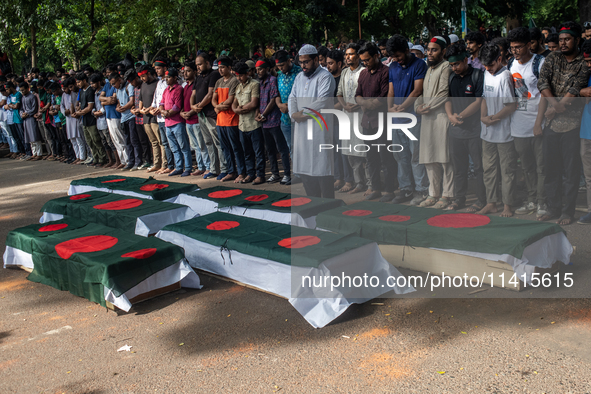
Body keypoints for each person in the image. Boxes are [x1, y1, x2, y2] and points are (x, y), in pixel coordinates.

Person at [537, 21, 590, 225]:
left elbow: (577, 88)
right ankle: (553, 208)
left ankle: (567, 212)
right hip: (552, 123)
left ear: (577, 39)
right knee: (551, 169)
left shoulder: (583, 62)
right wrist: (553, 105)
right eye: (560, 40)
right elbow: (543, 82)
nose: (563, 43)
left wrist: (557, 107)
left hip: (573, 124)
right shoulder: (552, 58)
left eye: (567, 39)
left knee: (570, 171)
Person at [506, 27, 547, 218]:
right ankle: (531, 200)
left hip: (538, 123)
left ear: (529, 45)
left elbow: (545, 95)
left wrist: (539, 122)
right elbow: (516, 95)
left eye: (519, 47)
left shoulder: (540, 63)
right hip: (518, 125)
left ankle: (542, 203)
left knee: (542, 167)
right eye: (512, 47)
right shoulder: (510, 65)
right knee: (527, 167)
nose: (515, 51)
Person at [288, 44, 336, 198]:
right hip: (302, 130)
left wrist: (302, 114)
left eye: (306, 62)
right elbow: (292, 97)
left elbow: (322, 101)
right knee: (305, 169)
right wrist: (293, 114)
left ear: (316, 59)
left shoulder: (325, 76)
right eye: (301, 62)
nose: (303, 66)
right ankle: (313, 205)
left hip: (319, 129)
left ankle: (328, 209)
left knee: (322, 168)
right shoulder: (299, 77)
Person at [387, 34, 429, 205]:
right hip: (396, 118)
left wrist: (402, 107)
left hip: (414, 118)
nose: (396, 59)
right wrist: (390, 108)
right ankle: (405, 189)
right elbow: (391, 90)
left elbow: (417, 90)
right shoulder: (393, 66)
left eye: (398, 55)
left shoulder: (419, 65)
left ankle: (422, 190)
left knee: (416, 156)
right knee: (400, 156)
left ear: (406, 50)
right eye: (394, 57)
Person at [477, 43, 518, 218]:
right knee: (489, 169)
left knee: (507, 170)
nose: (489, 69)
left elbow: (511, 105)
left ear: (499, 59)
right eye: (486, 66)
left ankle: (508, 205)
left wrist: (492, 119)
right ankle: (491, 202)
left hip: (504, 132)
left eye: (491, 65)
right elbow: (484, 98)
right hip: (487, 132)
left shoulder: (505, 76)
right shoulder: (486, 73)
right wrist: (483, 116)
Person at [444, 42, 486, 211]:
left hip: (474, 130)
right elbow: (448, 99)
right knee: (459, 169)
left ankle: (482, 200)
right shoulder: (452, 77)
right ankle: (459, 199)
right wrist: (450, 116)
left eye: (457, 64)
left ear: (466, 60)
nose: (454, 68)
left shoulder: (477, 75)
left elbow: (478, 101)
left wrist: (460, 116)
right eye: (451, 65)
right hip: (456, 131)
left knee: (479, 168)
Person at [414, 36, 453, 208]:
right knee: (429, 158)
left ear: (443, 52)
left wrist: (425, 107)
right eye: (428, 49)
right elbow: (420, 93)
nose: (429, 53)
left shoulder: (446, 67)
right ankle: (433, 193)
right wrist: (417, 107)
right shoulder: (429, 69)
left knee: (445, 158)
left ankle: (447, 195)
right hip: (427, 117)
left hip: (441, 117)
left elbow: (444, 93)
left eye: (434, 50)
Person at [356, 42, 397, 202]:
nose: (365, 63)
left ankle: (389, 190)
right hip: (367, 122)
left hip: (382, 122)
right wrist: (366, 103)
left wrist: (367, 103)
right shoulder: (363, 74)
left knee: (386, 157)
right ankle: (375, 187)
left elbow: (383, 97)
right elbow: (357, 95)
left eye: (367, 60)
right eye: (363, 61)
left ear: (376, 56)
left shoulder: (386, 72)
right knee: (370, 157)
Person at [337, 42, 367, 194]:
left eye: (351, 54)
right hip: (347, 116)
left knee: (365, 151)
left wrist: (357, 105)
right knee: (351, 153)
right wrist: (345, 106)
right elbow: (340, 93)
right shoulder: (344, 73)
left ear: (358, 56)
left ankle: (370, 183)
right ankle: (359, 183)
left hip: (362, 115)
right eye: (346, 54)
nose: (348, 57)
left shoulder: (364, 71)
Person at [190, 53, 227, 179]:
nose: (198, 67)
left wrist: (198, 105)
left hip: (211, 114)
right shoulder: (198, 77)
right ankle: (213, 168)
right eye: (197, 65)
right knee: (208, 142)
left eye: (200, 64)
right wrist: (193, 106)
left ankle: (224, 168)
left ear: (207, 63)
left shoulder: (214, 74)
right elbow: (193, 94)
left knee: (217, 142)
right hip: (201, 114)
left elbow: (210, 94)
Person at [256, 58, 291, 185]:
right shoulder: (259, 82)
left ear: (267, 69)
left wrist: (263, 114)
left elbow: (273, 100)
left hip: (275, 120)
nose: (258, 72)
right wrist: (258, 115)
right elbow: (258, 101)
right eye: (257, 70)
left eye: (260, 69)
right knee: (269, 150)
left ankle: (287, 174)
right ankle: (275, 173)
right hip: (264, 122)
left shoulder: (272, 80)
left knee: (281, 149)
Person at [212, 55, 246, 182]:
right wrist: (218, 106)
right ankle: (231, 171)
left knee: (236, 147)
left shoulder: (234, 81)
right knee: (225, 148)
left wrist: (218, 107)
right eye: (219, 67)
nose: (220, 70)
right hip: (220, 121)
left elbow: (230, 100)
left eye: (223, 67)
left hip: (232, 120)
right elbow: (213, 99)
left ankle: (241, 172)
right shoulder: (218, 82)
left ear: (229, 67)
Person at [232, 62, 265, 184]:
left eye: (241, 75)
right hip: (242, 125)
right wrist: (237, 109)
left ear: (247, 73)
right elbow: (234, 104)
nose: (239, 78)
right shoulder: (238, 86)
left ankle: (260, 175)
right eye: (237, 76)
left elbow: (254, 103)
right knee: (247, 152)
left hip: (253, 124)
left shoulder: (254, 84)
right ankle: (250, 174)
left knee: (258, 152)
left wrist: (239, 109)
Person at [326, 49, 354, 192]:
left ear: (338, 63)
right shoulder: (327, 78)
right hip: (330, 120)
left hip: (342, 119)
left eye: (331, 63)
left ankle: (349, 180)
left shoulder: (343, 76)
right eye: (327, 64)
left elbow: (342, 99)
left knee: (344, 152)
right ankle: (339, 178)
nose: (328, 67)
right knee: (334, 151)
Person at [159, 68, 192, 177]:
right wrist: (163, 111)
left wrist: (167, 113)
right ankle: (178, 167)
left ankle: (187, 167)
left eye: (169, 77)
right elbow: (161, 104)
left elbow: (177, 106)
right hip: (168, 124)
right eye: (166, 77)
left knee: (184, 147)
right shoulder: (166, 90)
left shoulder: (178, 89)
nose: (167, 79)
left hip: (177, 122)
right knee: (174, 148)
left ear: (175, 78)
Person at [181, 62, 210, 176]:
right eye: (184, 71)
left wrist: (191, 112)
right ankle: (200, 166)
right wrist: (182, 113)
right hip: (188, 120)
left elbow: (198, 102)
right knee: (195, 146)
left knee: (202, 145)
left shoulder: (197, 84)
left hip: (197, 118)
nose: (185, 73)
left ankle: (207, 166)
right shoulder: (185, 86)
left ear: (194, 71)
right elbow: (183, 102)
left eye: (188, 71)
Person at [138, 65, 166, 172]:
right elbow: (140, 104)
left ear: (148, 73)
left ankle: (164, 163)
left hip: (155, 117)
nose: (142, 79)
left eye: (143, 76)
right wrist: (142, 110)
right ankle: (156, 163)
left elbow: (159, 100)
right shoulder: (143, 85)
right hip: (146, 118)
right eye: (141, 77)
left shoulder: (157, 84)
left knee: (161, 142)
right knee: (153, 142)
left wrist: (150, 109)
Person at [74, 73, 106, 166]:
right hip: (84, 120)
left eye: (79, 82)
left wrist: (80, 113)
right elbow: (80, 104)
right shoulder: (81, 91)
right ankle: (95, 158)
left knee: (96, 139)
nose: (78, 84)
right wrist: (78, 110)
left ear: (84, 80)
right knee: (89, 141)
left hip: (91, 119)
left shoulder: (90, 91)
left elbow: (90, 107)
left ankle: (102, 158)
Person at [275, 49, 302, 155]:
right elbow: (276, 94)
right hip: (285, 119)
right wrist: (279, 105)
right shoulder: (279, 75)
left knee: (301, 148)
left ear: (289, 61)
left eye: (282, 65)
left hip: (299, 117)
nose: (280, 68)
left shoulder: (300, 72)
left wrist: (291, 107)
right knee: (291, 149)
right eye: (278, 65)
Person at [150, 59, 174, 174]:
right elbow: (156, 100)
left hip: (169, 117)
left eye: (158, 68)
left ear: (165, 69)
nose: (157, 71)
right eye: (156, 69)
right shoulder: (159, 83)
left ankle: (176, 165)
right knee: (164, 142)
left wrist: (160, 109)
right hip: (159, 118)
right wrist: (153, 109)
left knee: (172, 142)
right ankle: (169, 165)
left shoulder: (169, 83)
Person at [116, 71, 142, 171]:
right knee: (127, 141)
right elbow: (118, 101)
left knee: (134, 140)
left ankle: (138, 161)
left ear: (119, 80)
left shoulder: (129, 86)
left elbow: (131, 101)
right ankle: (130, 161)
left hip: (131, 117)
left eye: (115, 83)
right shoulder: (118, 89)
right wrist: (118, 108)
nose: (114, 85)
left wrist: (123, 108)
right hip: (123, 118)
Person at [90, 74, 118, 168]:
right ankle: (110, 160)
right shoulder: (95, 93)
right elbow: (98, 102)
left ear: (98, 82)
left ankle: (117, 160)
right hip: (98, 120)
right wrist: (94, 112)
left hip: (105, 118)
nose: (92, 85)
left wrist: (101, 111)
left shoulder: (104, 89)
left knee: (110, 141)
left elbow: (105, 103)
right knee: (104, 142)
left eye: (93, 83)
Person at [100, 73, 127, 169]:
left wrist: (104, 101)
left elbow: (114, 100)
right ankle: (122, 160)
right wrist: (105, 100)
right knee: (114, 139)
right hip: (108, 115)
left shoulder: (117, 86)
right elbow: (101, 98)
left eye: (113, 83)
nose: (112, 85)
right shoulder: (108, 85)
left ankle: (127, 160)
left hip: (116, 115)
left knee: (120, 138)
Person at [127, 70, 152, 170]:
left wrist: (141, 110)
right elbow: (133, 103)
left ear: (136, 78)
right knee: (142, 141)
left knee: (150, 141)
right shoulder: (134, 88)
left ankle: (152, 160)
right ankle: (146, 160)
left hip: (145, 117)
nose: (131, 84)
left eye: (132, 81)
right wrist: (133, 110)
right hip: (137, 118)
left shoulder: (144, 86)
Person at [578, 40, 591, 224]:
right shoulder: (584, 73)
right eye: (587, 61)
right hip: (586, 131)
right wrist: (581, 91)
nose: (589, 65)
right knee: (589, 175)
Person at [63, 77, 87, 164]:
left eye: (71, 87)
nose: (70, 89)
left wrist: (77, 112)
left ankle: (83, 157)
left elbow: (80, 104)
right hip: (74, 117)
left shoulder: (80, 91)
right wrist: (73, 112)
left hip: (81, 117)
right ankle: (78, 156)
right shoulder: (72, 93)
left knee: (80, 139)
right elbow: (73, 104)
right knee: (74, 139)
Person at [19, 82, 43, 160]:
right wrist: (22, 114)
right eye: (21, 91)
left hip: (31, 118)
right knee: (29, 137)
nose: (22, 92)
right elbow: (21, 108)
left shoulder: (32, 96)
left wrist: (27, 113)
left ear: (27, 89)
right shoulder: (23, 98)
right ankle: (34, 153)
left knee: (35, 136)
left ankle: (39, 153)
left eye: (23, 90)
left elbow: (34, 108)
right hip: (26, 119)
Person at [5, 82, 28, 159]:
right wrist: (11, 105)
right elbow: (11, 105)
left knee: (22, 136)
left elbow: (16, 106)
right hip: (14, 118)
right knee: (17, 136)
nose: (7, 91)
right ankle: (21, 151)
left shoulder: (18, 94)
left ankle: (26, 151)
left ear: (11, 87)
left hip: (19, 118)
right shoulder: (12, 96)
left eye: (7, 89)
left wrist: (11, 106)